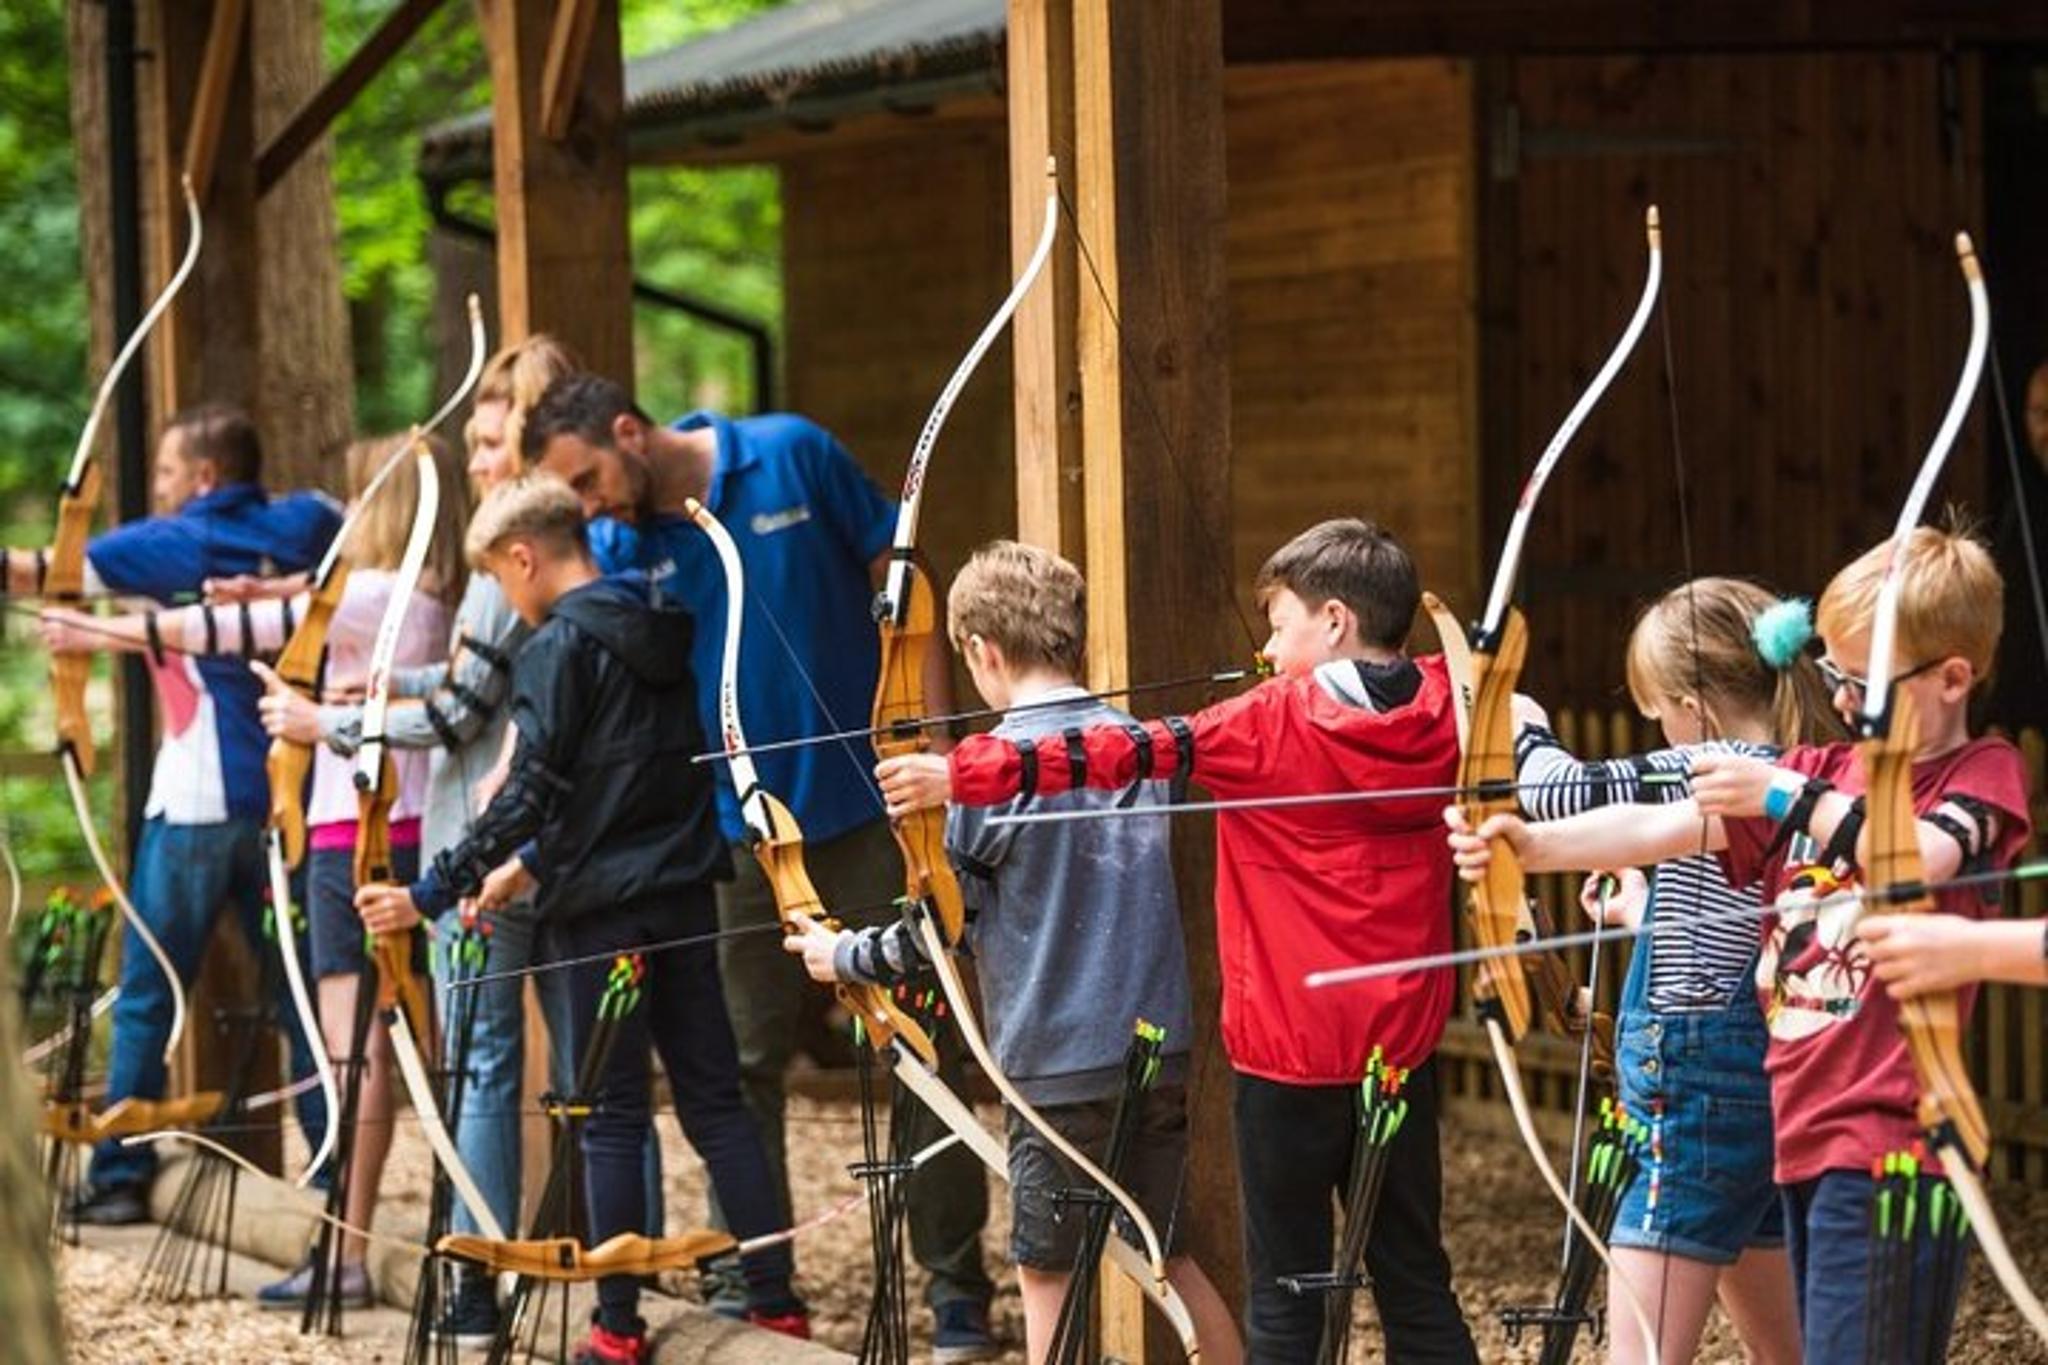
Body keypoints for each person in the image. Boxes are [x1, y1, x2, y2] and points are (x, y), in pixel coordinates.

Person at [1447, 525, 2031, 1364]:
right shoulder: (1823, 769)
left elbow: (1918, 858)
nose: (1840, 699)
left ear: (1951, 678)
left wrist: (1787, 791)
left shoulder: (1980, 771)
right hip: (1801, 1124)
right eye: (1833, 674)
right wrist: (1530, 846)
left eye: (1861, 681)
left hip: (1889, 1137)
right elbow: (1669, 823)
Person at [920, 519, 1479, 1362]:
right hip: (1401, 1043)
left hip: (1289, 1055)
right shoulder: (1459, 708)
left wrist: (964, 772)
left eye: (1279, 623)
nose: (1268, 644)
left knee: (1289, 1293)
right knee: (1414, 1275)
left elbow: (1117, 751)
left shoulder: (1264, 721)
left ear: (1333, 622)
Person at [518, 374, 995, 1352]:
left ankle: (956, 1290)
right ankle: (761, 1277)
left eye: (590, 476)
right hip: (732, 839)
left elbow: (902, 577)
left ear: (626, 432)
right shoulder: (615, 543)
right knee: (735, 1067)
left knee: (917, 1043)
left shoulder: (788, 453)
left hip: (867, 811)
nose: (592, 503)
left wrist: (929, 743)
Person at [354, 475, 806, 1365]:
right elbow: (614, 784)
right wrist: (525, 864)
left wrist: (427, 891)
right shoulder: (666, 621)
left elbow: (530, 791)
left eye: (501, 578)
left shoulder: (557, 647)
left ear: (525, 558)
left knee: (608, 1114)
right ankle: (778, 1306)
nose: (508, 601)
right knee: (717, 1103)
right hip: (679, 896)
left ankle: (619, 1329)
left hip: (598, 918)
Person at [785, 541, 1242, 1365]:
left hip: (1056, 1068)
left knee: (1048, 1273)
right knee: (1168, 1257)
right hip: (1158, 1053)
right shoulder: (1142, 749)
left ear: (981, 652)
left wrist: (842, 954)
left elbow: (944, 928)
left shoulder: (980, 779)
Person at [60, 433, 466, 1302]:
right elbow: (299, 601)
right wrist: (277, 587)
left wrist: (101, 631)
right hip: (398, 830)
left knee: (356, 1052)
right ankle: (365, 1234)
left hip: (351, 835)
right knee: (402, 1048)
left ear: (379, 507)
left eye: (362, 498)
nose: (345, 515)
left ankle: (349, 1249)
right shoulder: (416, 594)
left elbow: (230, 627)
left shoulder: (367, 594)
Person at [251, 334, 581, 1344]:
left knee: (484, 1063)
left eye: (490, 441)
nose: (475, 461)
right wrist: (376, 695)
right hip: (528, 837)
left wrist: (329, 723)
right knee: (572, 1065)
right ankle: (572, 1282)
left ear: (528, 442)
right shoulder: (554, 546)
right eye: (475, 441)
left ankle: (475, 1282)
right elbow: (466, 697)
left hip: (482, 843)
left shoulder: (503, 560)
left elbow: (456, 714)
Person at [22, 403, 340, 1223]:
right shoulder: (309, 523)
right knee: (296, 995)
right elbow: (353, 527)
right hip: (282, 803)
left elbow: (35, 568)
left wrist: (70, 613)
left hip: (196, 807)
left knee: (147, 989)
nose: (159, 489)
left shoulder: (178, 538)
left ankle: (120, 1175)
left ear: (203, 477)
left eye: (166, 473)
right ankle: (337, 1168)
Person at [1511, 578, 1842, 1363]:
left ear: (1692, 701)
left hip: (1694, 1088)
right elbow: (1741, 920)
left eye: (1656, 703)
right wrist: (1643, 913)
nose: (1656, 721)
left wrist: (1515, 722)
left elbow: (1555, 794)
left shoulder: (1721, 760)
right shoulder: (1798, 768)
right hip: (1758, 1084)